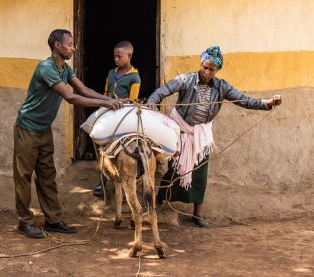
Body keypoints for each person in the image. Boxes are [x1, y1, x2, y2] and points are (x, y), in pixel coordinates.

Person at [147, 45, 282, 227]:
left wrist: (267, 103)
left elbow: (244, 100)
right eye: (205, 67)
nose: (207, 72)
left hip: (202, 135)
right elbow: (163, 90)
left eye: (212, 69)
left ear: (217, 70)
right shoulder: (186, 79)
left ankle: (198, 214)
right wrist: (152, 102)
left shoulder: (222, 86)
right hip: (180, 131)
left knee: (201, 175)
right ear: (200, 63)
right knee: (175, 170)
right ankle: (158, 201)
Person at [14, 29, 126, 238]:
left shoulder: (64, 68)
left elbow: (83, 90)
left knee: (47, 175)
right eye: (70, 44)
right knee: (24, 176)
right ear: (57, 45)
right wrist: (107, 104)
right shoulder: (46, 68)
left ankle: (53, 220)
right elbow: (71, 98)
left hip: (43, 129)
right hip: (27, 128)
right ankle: (24, 221)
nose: (73, 48)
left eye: (74, 44)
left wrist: (108, 100)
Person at [93, 41, 141, 197]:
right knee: (102, 145)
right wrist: (108, 101)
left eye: (119, 56)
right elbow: (105, 93)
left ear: (129, 56)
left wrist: (119, 101)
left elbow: (133, 100)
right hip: (108, 112)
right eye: (115, 56)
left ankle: (134, 176)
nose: (116, 59)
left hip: (124, 114)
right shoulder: (110, 73)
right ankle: (102, 180)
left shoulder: (135, 77)